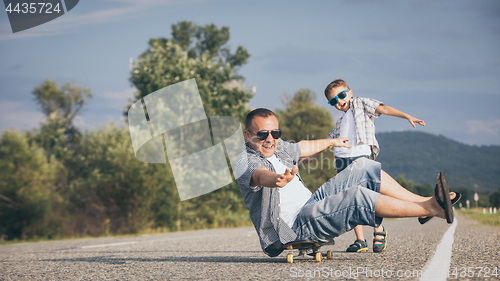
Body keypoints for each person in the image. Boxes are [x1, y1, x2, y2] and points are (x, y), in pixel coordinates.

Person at [235, 108, 457, 257]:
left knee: (364, 166)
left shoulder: (278, 146)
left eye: (275, 132)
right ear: (248, 135)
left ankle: (427, 205)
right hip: (296, 227)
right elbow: (260, 175)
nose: (270, 139)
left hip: (312, 205)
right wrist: (277, 180)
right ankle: (431, 208)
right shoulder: (245, 161)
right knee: (357, 197)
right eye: (263, 134)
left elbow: (302, 146)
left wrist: (332, 141)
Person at [323, 78, 426, 253]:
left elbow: (383, 109)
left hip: (361, 156)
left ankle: (378, 230)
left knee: (369, 195)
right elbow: (327, 141)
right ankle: (360, 240)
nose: (339, 102)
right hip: (342, 160)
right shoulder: (340, 122)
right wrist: (310, 154)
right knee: (351, 198)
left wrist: (407, 116)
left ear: (350, 92)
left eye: (341, 95)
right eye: (333, 101)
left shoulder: (361, 104)